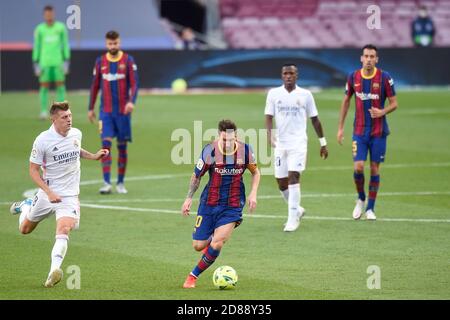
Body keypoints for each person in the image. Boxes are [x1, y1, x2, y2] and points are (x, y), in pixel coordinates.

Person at [9, 101, 108, 287]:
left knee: (64, 229)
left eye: (70, 116)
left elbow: (75, 149)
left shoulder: (76, 133)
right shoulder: (42, 140)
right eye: (64, 117)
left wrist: (93, 156)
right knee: (25, 229)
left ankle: (53, 272)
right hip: (48, 193)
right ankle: (26, 206)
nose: (69, 120)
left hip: (69, 195)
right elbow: (33, 170)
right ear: (53, 119)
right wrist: (48, 192)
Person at [181, 119, 260, 289]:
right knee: (198, 245)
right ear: (219, 136)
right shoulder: (210, 151)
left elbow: (255, 172)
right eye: (225, 140)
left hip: (232, 205)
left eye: (231, 140)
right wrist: (188, 198)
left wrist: (253, 193)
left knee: (218, 242)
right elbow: (197, 176)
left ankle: (192, 276)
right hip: (209, 203)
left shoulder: (245, 151)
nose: (228, 143)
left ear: (236, 137)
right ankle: (210, 239)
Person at [337, 44, 398, 221]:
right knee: (358, 166)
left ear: (376, 59)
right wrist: (340, 128)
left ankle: (370, 208)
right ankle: (361, 198)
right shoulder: (353, 77)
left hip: (379, 132)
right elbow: (346, 102)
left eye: (372, 56)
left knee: (374, 168)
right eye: (366, 56)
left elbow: (394, 103)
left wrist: (382, 112)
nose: (369, 59)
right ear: (361, 58)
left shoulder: (385, 78)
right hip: (359, 131)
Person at [265, 63, 328, 232]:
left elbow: (315, 119)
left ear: (296, 75)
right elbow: (269, 116)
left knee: (294, 177)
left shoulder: (306, 95)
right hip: (281, 144)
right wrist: (269, 135)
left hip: (299, 143)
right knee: (281, 182)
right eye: (285, 73)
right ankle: (298, 209)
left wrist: (323, 142)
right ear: (281, 75)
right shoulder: (274, 93)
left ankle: (292, 218)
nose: (288, 76)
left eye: (291, 73)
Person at [88, 30, 139, 194]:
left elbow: (135, 84)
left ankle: (121, 183)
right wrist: (90, 108)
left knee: (122, 147)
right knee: (106, 146)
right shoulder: (100, 61)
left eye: (115, 43)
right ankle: (106, 183)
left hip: (123, 113)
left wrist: (131, 102)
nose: (113, 46)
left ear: (119, 42)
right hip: (106, 112)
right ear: (106, 44)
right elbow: (95, 86)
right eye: (110, 43)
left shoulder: (128, 60)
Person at [32, 5, 70, 120]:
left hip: (58, 62)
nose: (49, 16)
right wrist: (36, 63)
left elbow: (65, 44)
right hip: (44, 63)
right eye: (47, 14)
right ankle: (43, 111)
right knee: (44, 87)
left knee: (60, 86)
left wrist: (66, 61)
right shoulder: (40, 29)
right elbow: (37, 46)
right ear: (44, 15)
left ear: (54, 14)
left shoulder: (61, 28)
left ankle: (61, 110)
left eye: (51, 14)